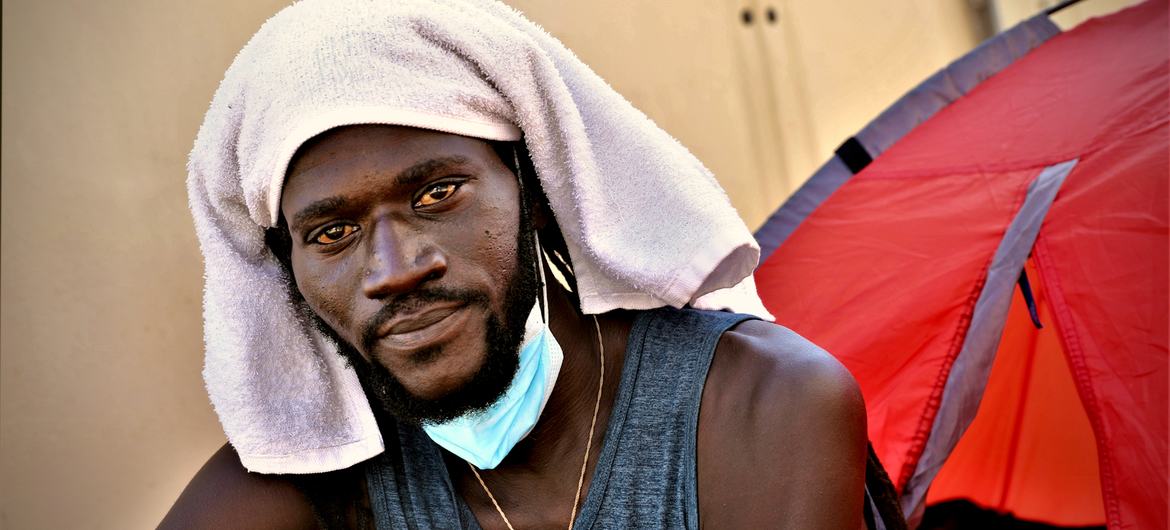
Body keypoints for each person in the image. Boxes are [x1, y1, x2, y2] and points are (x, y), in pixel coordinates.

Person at [163, 1, 902, 528]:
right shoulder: (310, 489)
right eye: (332, 234)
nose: (393, 268)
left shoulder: (756, 409)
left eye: (437, 193)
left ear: (539, 190)